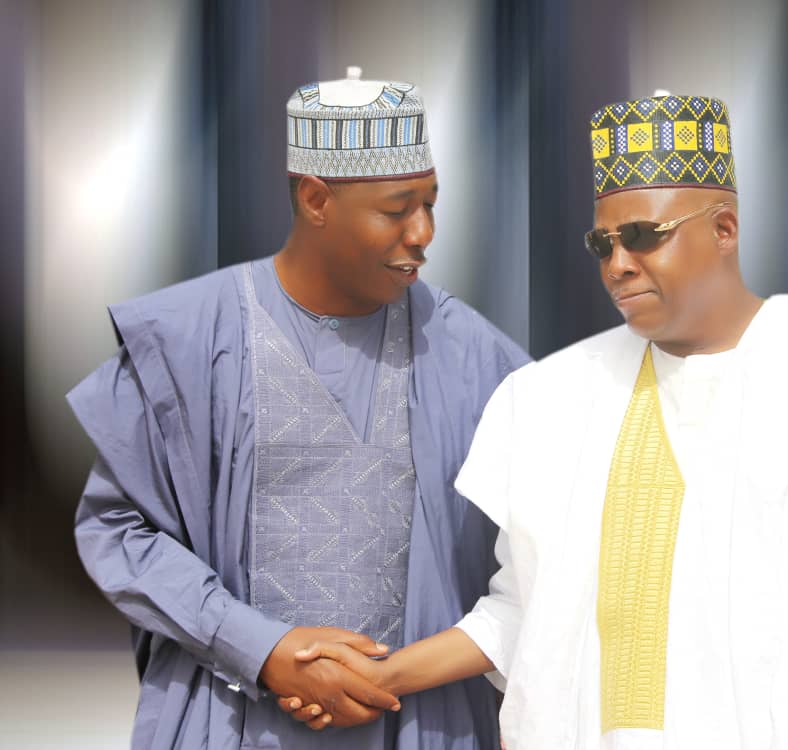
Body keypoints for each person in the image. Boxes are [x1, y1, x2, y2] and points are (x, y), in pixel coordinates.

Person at [281, 93, 788, 750]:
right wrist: (378, 677)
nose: (618, 264)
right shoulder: (554, 398)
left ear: (724, 228)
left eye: (643, 236)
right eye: (603, 244)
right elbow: (525, 612)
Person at [68, 68, 529, 749]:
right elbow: (117, 527)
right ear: (316, 198)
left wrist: (396, 674)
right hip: (228, 722)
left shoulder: (474, 354)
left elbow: (542, 558)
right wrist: (261, 648)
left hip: (418, 725)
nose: (423, 232)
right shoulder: (193, 337)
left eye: (431, 203)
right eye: (396, 209)